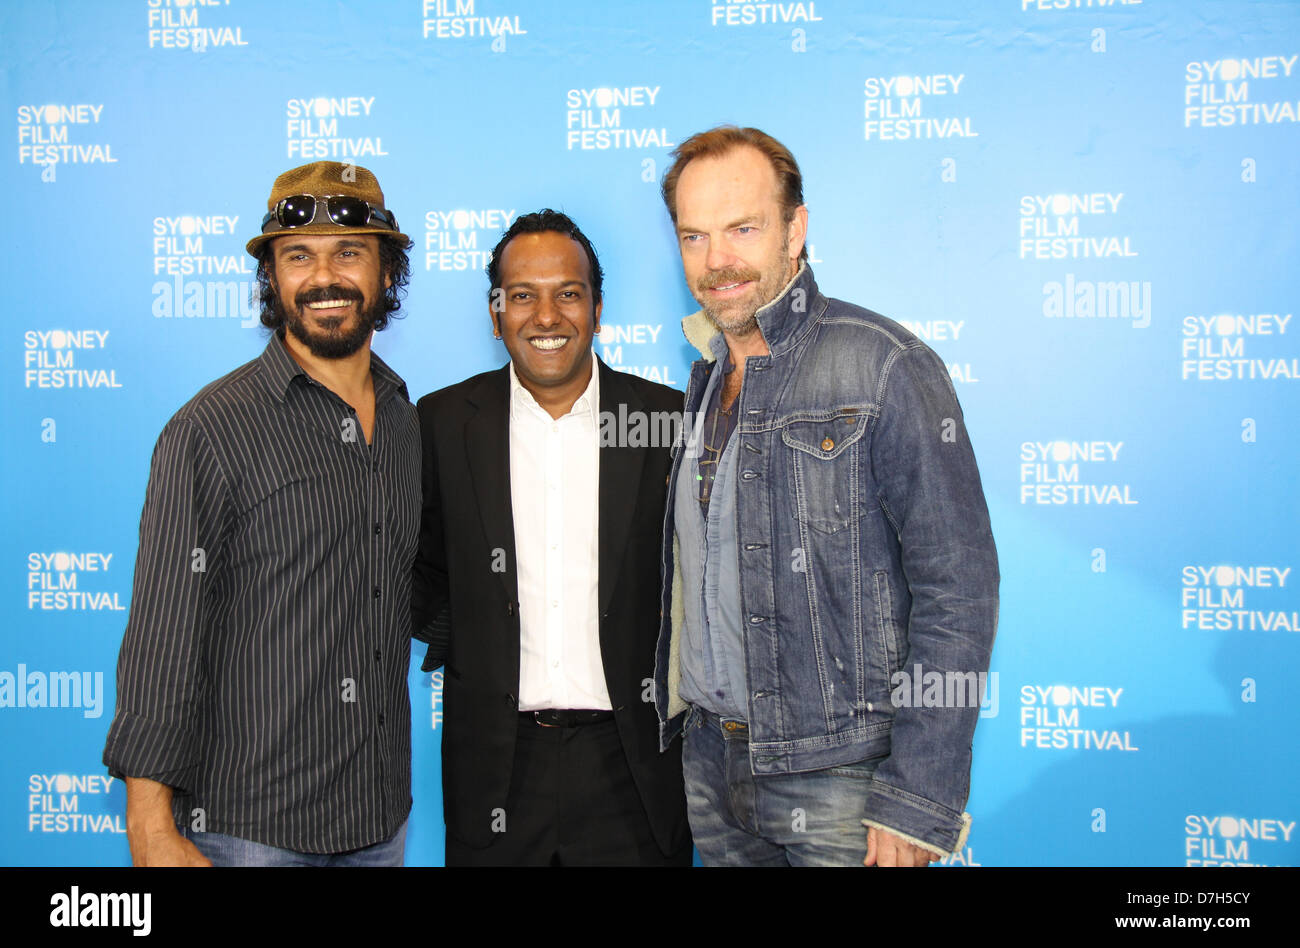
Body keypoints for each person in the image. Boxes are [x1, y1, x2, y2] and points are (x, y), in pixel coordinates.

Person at [652, 126, 999, 866]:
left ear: (795, 229)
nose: (718, 261)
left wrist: (918, 799)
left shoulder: (882, 365)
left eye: (743, 229)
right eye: (694, 237)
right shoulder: (706, 378)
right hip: (713, 765)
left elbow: (959, 589)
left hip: (843, 777)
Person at [103, 161, 420, 866]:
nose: (324, 277)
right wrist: (151, 825)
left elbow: (416, 594)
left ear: (387, 273)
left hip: (379, 820)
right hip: (248, 830)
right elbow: (164, 634)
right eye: (297, 257)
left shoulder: (406, 423)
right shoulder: (211, 429)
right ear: (272, 279)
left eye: (350, 253)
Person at [411, 210, 691, 865]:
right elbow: (418, 572)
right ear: (494, 313)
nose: (546, 316)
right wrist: (480, 641)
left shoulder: (664, 420)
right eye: (522, 295)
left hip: (636, 771)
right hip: (498, 772)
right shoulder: (444, 422)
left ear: (597, 309)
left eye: (567, 293)